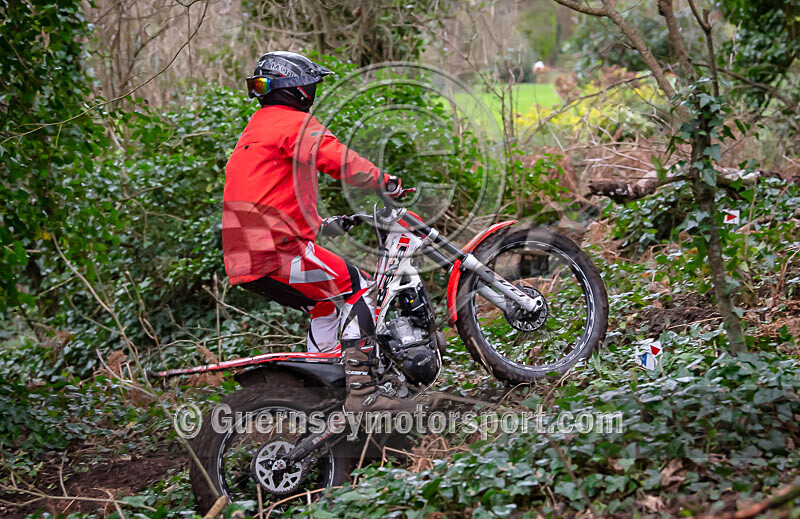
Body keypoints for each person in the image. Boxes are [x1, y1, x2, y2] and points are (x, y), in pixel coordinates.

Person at [222, 51, 414, 412]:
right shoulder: (292, 123)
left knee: (326, 303)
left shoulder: (257, 128)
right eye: (311, 86)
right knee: (360, 289)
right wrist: (385, 182)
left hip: (245, 256)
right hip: (277, 249)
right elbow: (338, 159)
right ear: (298, 89)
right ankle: (362, 391)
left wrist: (320, 226)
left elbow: (269, 194)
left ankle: (325, 386)